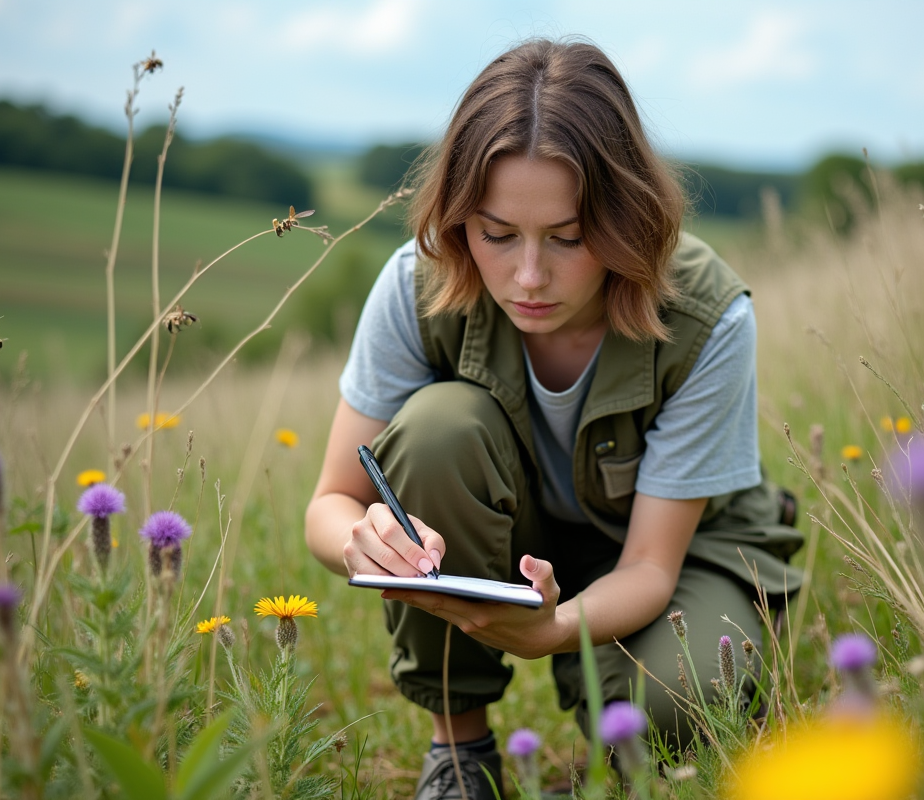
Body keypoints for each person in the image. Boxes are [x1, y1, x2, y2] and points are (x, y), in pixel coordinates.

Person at [305, 37, 803, 800]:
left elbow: (647, 569)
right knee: (437, 428)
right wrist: (363, 543)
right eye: (497, 234)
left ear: (627, 220)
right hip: (514, 537)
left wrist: (556, 630)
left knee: (688, 709)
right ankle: (459, 754)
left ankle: (623, 723)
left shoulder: (710, 315)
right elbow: (330, 503)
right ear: (459, 216)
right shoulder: (415, 283)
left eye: (569, 239)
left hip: (669, 554)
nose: (528, 276)